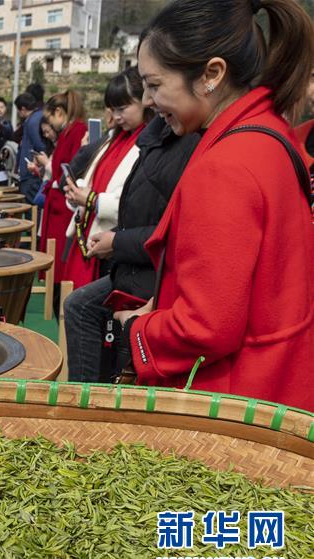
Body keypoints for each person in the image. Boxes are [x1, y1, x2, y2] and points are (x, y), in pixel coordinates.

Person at [116, 0, 313, 410]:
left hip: (236, 399)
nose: (149, 101)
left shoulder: (225, 166)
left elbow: (207, 327)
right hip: (283, 383)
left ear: (211, 75)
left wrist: (138, 329)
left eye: (155, 85)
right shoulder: (270, 136)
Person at [63, 113, 201, 383]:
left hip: (149, 272)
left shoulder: (185, 142)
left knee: (84, 310)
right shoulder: (141, 139)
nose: (151, 99)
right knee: (79, 306)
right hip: (134, 261)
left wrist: (116, 239)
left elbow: (172, 230)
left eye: (155, 85)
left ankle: (89, 403)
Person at [60, 67, 153, 290]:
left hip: (115, 245)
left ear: (144, 101)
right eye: (113, 109)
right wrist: (77, 194)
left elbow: (138, 204)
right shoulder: (114, 139)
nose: (117, 116)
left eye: (123, 108)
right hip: (91, 237)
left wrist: (91, 200)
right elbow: (95, 181)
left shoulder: (148, 143)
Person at [37, 90, 88, 300]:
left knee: (61, 266)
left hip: (64, 208)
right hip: (58, 205)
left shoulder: (76, 131)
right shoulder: (70, 132)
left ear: (58, 112)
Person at [14, 92, 46, 203]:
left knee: (31, 210)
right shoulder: (40, 115)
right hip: (35, 174)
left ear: (23, 109)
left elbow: (39, 146)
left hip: (30, 174)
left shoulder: (32, 121)